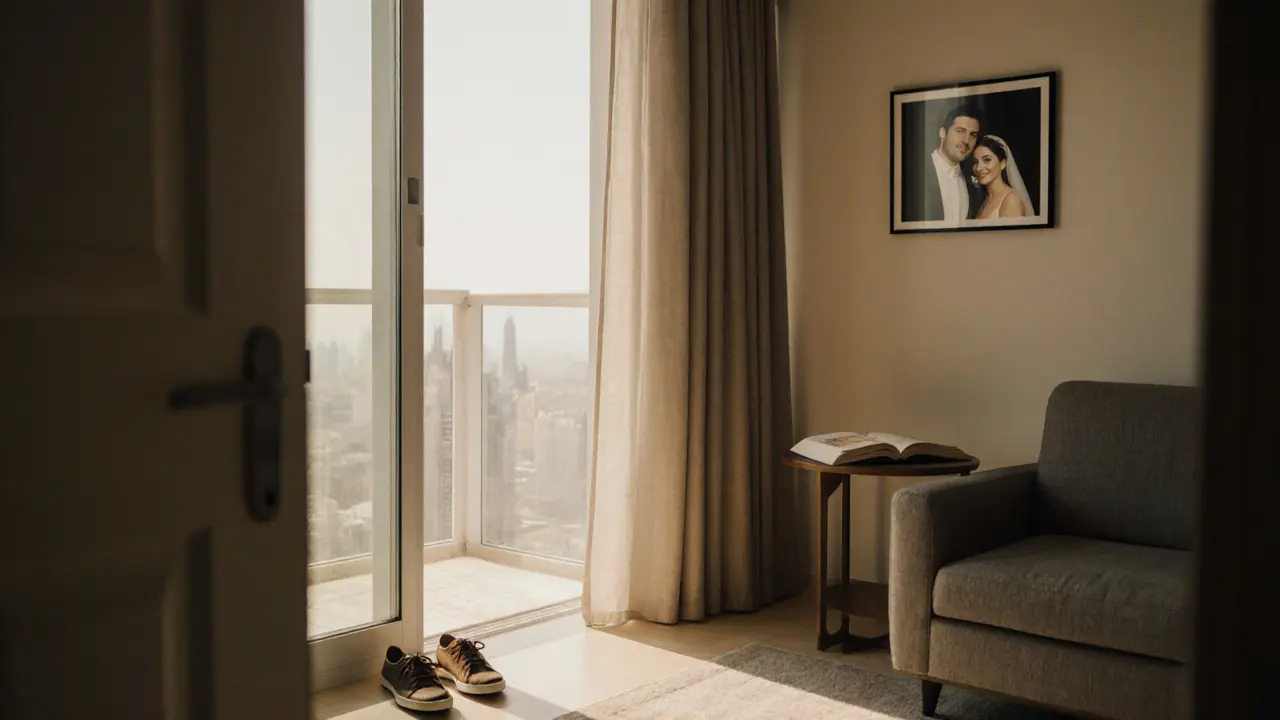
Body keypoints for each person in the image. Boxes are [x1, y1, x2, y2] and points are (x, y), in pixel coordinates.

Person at [902, 104, 984, 224]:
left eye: (973, 135)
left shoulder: (973, 179)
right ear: (942, 132)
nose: (966, 141)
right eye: (960, 131)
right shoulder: (915, 171)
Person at [970, 135, 1034, 219]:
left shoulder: (1010, 200)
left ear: (1002, 164)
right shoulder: (984, 200)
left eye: (987, 160)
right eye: (975, 161)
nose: (978, 168)